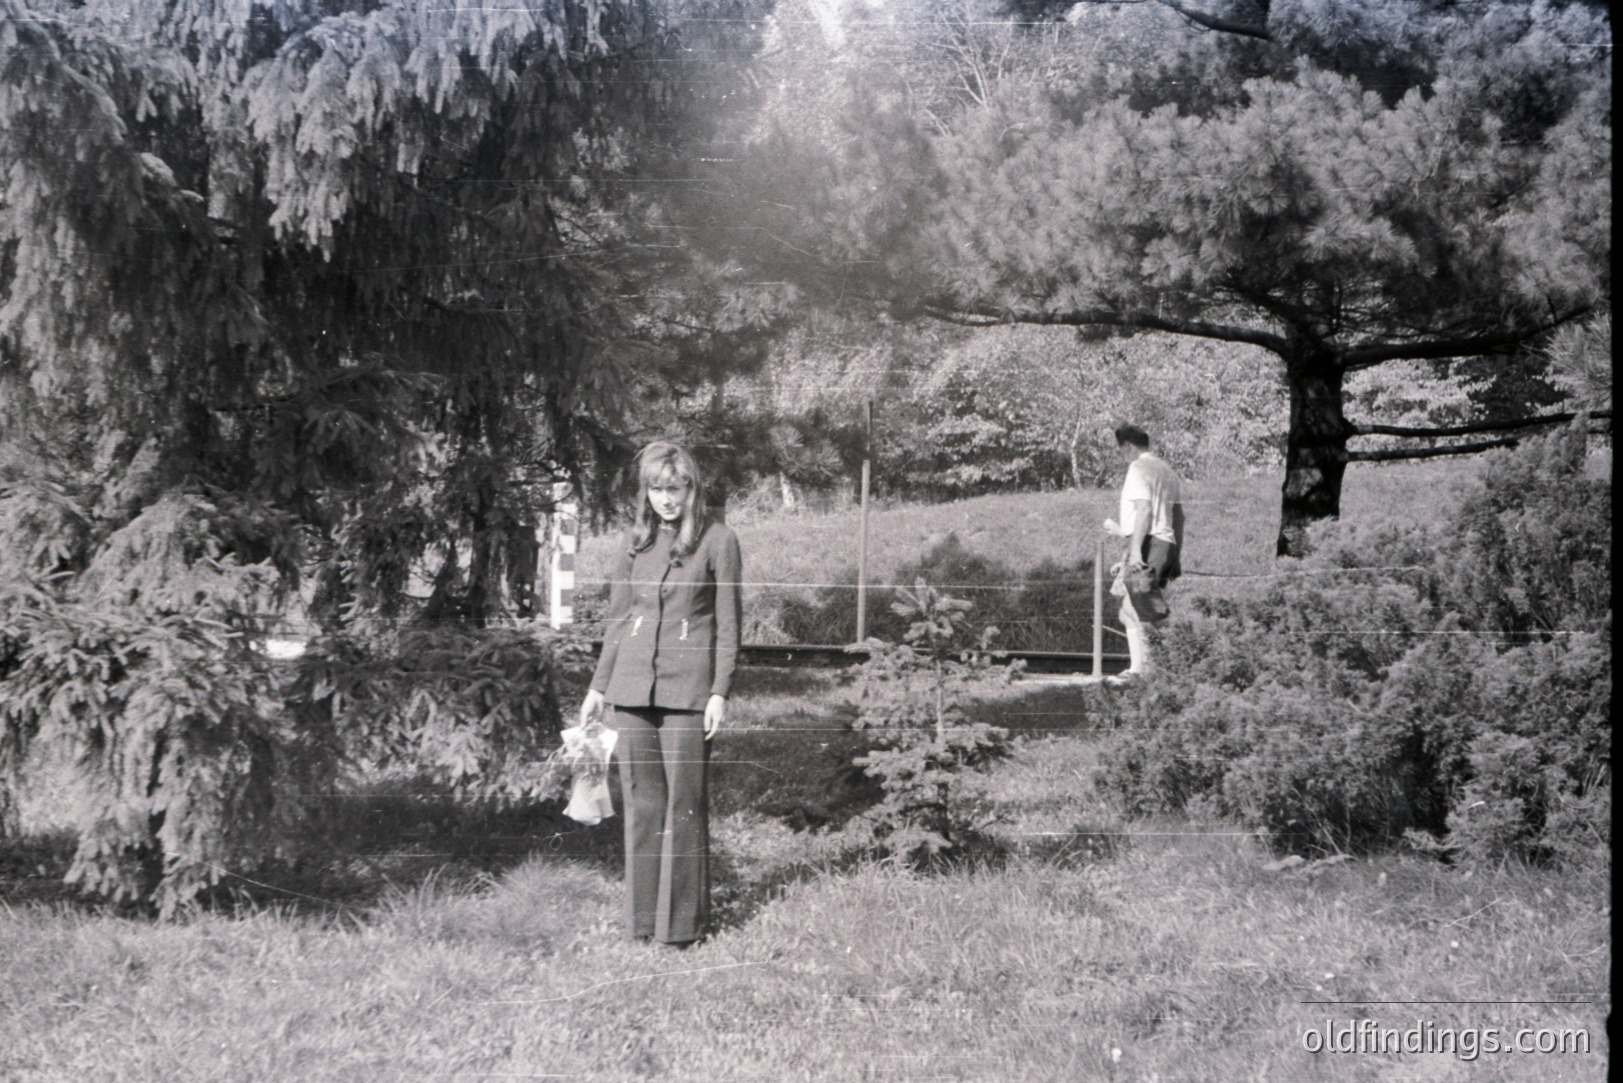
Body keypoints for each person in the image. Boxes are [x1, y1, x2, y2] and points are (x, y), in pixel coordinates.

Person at [579, 441, 742, 946]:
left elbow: (730, 624)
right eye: (656, 489)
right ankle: (643, 923)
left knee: (684, 805)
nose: (666, 499)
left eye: (675, 488)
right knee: (644, 803)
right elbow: (617, 620)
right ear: (644, 492)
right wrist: (598, 686)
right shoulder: (635, 544)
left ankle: (683, 928)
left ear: (692, 488)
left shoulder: (718, 540)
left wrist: (719, 691)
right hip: (631, 689)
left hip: (689, 692)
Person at [1102, 425, 1183, 684]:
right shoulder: (1167, 470)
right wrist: (1174, 555)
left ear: (1128, 446)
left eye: (1121, 450)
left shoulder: (1138, 468)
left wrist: (1136, 551)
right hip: (1162, 542)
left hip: (1149, 543)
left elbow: (1144, 511)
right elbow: (1178, 517)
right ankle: (1145, 668)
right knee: (1133, 608)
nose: (1121, 456)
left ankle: (1153, 668)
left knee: (1141, 609)